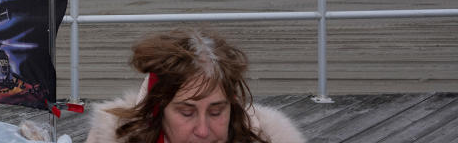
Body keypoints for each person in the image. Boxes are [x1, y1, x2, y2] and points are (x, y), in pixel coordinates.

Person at [85, 29, 305, 143]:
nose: (203, 130)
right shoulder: (111, 137)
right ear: (158, 110)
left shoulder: (273, 136)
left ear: (233, 106)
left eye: (216, 111)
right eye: (187, 112)